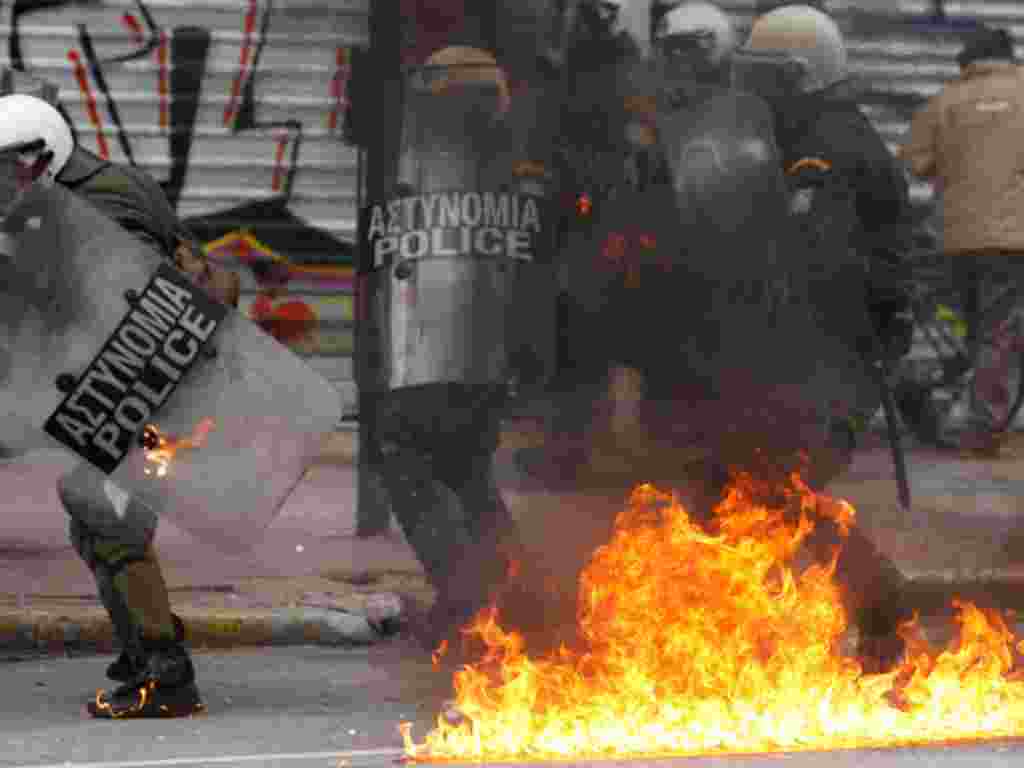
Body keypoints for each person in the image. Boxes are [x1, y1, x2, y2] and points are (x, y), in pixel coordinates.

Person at [0, 92, 238, 718]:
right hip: (151, 390)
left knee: (105, 514)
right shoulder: (98, 183)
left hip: (169, 398)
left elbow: (138, 313)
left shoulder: (100, 210)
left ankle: (167, 675)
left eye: (3, 170)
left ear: (36, 158)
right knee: (92, 516)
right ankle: (141, 651)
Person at [901, 25, 1024, 457]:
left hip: (955, 237)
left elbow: (916, 162)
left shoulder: (944, 102)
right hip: (1012, 238)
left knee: (980, 329)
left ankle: (979, 415)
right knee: (997, 331)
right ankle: (985, 429)